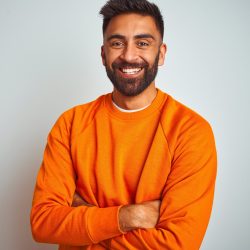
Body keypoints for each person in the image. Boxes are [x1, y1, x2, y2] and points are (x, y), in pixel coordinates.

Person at [30, 0, 217, 249]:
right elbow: (43, 223)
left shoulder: (191, 132)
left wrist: (86, 222)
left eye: (142, 43)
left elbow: (178, 244)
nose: (129, 55)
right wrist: (129, 217)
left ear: (160, 53)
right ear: (103, 53)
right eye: (117, 43)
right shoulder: (71, 124)